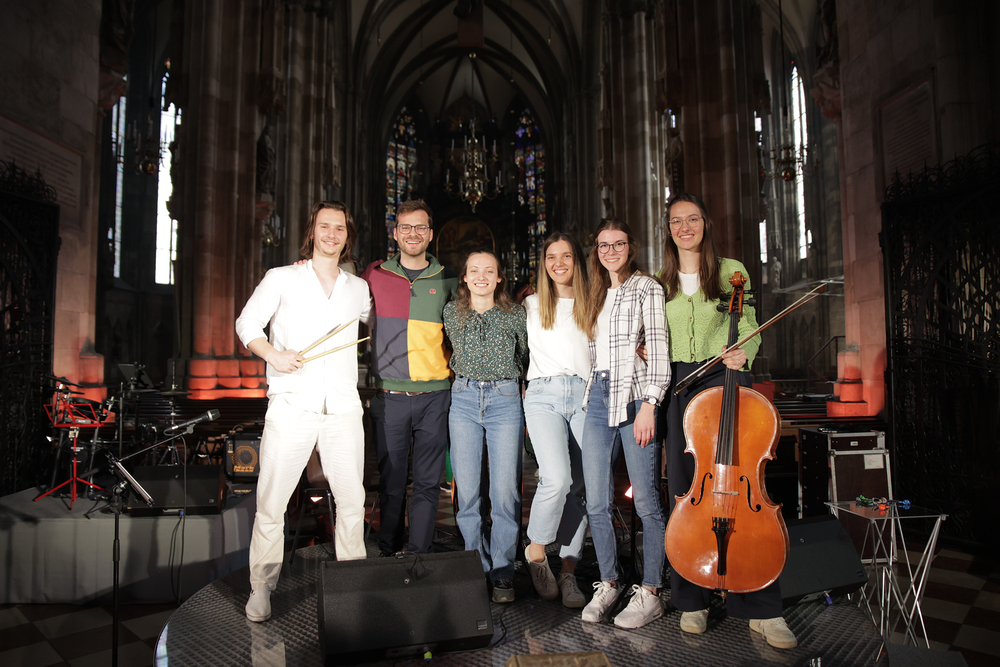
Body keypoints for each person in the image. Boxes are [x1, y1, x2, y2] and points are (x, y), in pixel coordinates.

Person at [660, 192, 797, 649]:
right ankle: (692, 599)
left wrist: (744, 351)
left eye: (692, 219)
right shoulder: (660, 281)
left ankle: (762, 606)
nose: (685, 228)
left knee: (740, 485)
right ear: (668, 229)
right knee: (687, 488)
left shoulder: (731, 271)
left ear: (706, 223)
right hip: (679, 383)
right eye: (676, 221)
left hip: (726, 375)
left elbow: (751, 322)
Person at [236, 201, 371, 623]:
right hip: (292, 403)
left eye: (339, 228)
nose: (331, 234)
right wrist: (274, 355)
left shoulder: (357, 288)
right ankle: (262, 586)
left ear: (347, 236)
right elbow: (246, 324)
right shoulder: (282, 277)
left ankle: (352, 582)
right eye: (324, 226)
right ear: (312, 231)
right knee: (271, 501)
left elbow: (376, 318)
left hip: (343, 408)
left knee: (352, 500)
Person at [579, 219, 670, 629]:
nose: (610, 251)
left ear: (630, 247)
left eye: (618, 244)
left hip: (635, 398)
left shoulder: (647, 287)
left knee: (646, 501)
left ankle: (651, 591)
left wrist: (651, 404)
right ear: (596, 251)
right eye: (603, 245)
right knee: (596, 502)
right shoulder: (596, 292)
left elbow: (659, 350)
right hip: (598, 399)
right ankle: (610, 583)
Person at [360, 199, 459, 556]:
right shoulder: (374, 275)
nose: (413, 233)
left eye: (420, 227)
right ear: (395, 233)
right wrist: (305, 267)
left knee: (429, 484)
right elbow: (336, 291)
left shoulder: (448, 278)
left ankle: (418, 555)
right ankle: (388, 551)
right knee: (391, 484)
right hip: (390, 397)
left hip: (436, 395)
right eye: (406, 227)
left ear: (430, 234)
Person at [443, 251, 528, 603]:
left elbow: (523, 355)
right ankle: (476, 566)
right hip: (463, 398)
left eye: (489, 271)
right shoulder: (451, 313)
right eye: (474, 270)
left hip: (504, 399)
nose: (481, 276)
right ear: (464, 277)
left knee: (504, 492)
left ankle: (503, 571)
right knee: (467, 492)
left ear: (499, 278)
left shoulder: (515, 314)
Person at [522, 233, 590, 608]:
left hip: (585, 395)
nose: (559, 263)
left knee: (583, 484)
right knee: (557, 478)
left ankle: (568, 572)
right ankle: (535, 552)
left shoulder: (594, 302)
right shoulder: (531, 305)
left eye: (566, 255)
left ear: (577, 261)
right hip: (543, 394)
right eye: (551, 256)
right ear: (543, 263)